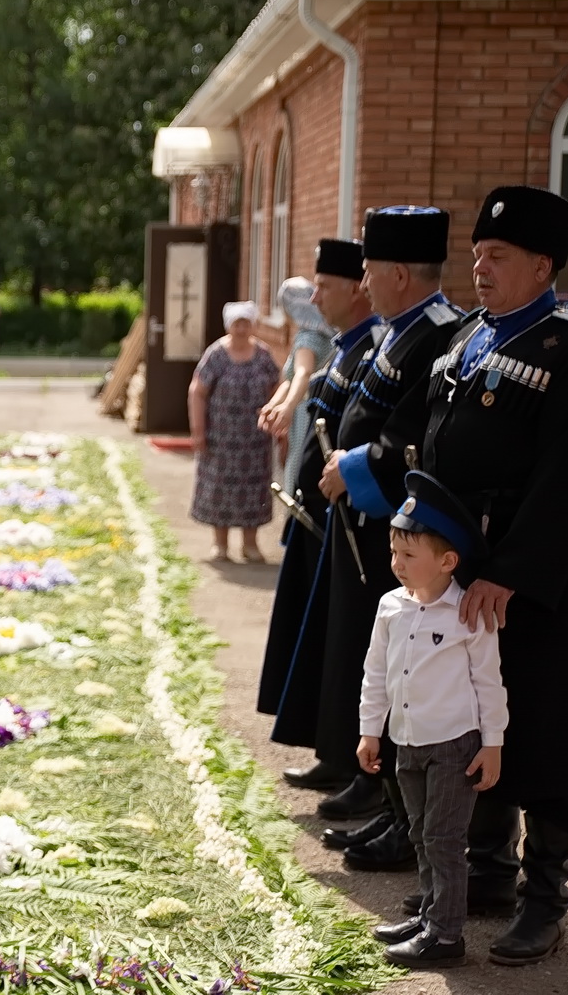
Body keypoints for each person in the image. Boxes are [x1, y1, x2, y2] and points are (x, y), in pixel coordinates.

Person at [419, 185, 568, 965]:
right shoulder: (469, 337)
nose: (479, 266)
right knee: (473, 722)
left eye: (497, 256)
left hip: (536, 584)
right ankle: (488, 874)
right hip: (463, 569)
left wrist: (511, 570)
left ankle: (545, 899)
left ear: (543, 265)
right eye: (477, 253)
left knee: (540, 735)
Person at [307, 206, 465, 869]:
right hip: (365, 523)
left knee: (404, 675)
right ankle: (385, 799)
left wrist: (355, 467)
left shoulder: (437, 331)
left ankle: (401, 815)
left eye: (370, 269)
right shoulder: (399, 330)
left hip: (395, 527)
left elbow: (409, 436)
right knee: (371, 661)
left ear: (401, 272)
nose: (364, 282)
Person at [358, 471, 506, 968]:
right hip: (406, 742)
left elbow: (489, 682)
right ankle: (429, 913)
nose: (396, 563)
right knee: (420, 834)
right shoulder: (389, 607)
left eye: (408, 556)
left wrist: (493, 743)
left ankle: (445, 936)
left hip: (453, 745)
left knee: (444, 839)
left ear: (447, 561)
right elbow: (375, 672)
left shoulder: (467, 612)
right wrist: (369, 730)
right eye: (394, 552)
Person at [258, 240, 376, 799]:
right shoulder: (348, 345)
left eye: (325, 286)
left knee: (346, 642)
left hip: (353, 521)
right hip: (322, 510)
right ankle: (333, 750)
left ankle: (351, 763)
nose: (315, 295)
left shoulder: (371, 344)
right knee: (325, 638)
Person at [187, 300, 280, 562]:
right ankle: (220, 544)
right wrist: (198, 430)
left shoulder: (263, 355)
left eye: (246, 323)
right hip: (221, 439)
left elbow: (277, 387)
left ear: (252, 325)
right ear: (229, 326)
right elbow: (198, 392)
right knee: (220, 489)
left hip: (255, 440)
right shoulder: (216, 354)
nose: (241, 329)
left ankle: (250, 544)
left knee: (254, 491)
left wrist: (278, 423)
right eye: (237, 324)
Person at [259, 276, 334, 495]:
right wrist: (273, 404)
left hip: (304, 413)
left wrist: (289, 407)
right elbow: (290, 381)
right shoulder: (327, 333)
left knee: (299, 469)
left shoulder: (308, 339)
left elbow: (302, 374)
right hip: (311, 408)